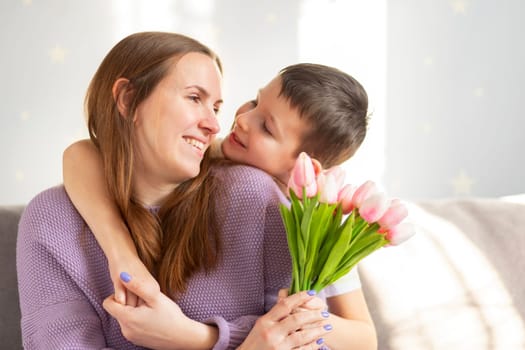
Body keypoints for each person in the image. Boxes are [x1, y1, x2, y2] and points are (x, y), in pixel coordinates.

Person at [17, 32, 330, 350]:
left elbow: (305, 336)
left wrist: (196, 337)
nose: (214, 125)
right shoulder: (52, 219)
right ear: (128, 99)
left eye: (217, 108)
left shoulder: (253, 196)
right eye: (195, 98)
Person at [62, 63, 377, 349]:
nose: (242, 119)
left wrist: (310, 316)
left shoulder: (322, 226)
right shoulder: (207, 160)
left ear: (307, 166)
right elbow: (80, 154)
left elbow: (365, 339)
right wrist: (122, 254)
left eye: (267, 127)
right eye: (255, 102)